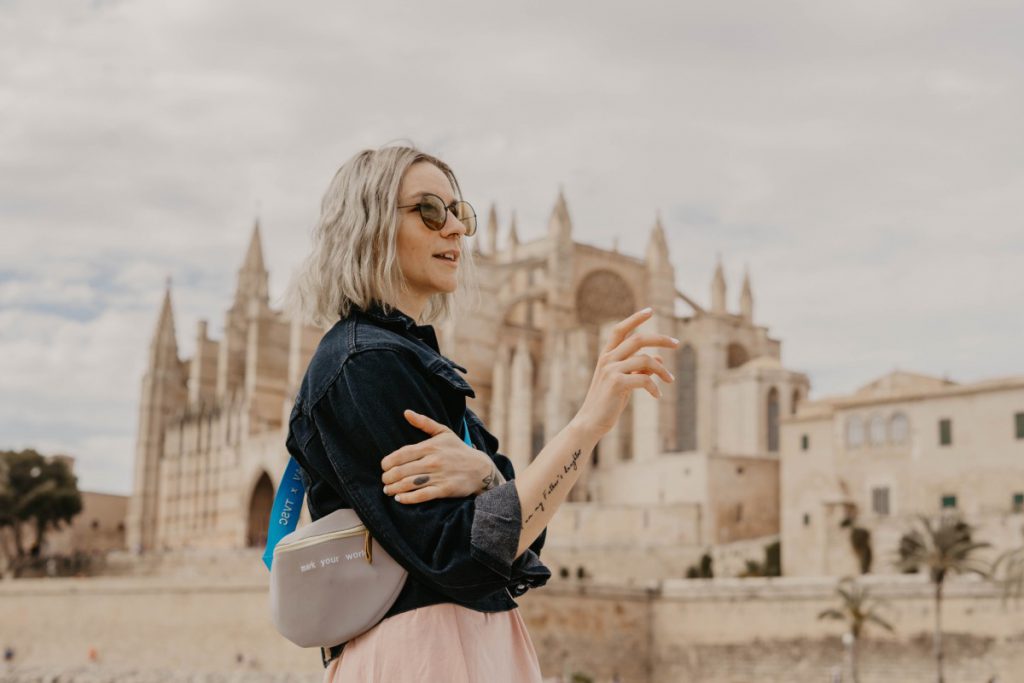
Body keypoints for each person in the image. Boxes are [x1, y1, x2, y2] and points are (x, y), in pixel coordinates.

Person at [282, 144, 678, 682]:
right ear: (369, 225)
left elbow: (523, 533)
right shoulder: (365, 363)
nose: (455, 230)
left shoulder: (415, 360)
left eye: (459, 213)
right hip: (423, 653)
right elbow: (465, 555)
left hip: (469, 645)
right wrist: (589, 424)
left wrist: (486, 474)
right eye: (429, 210)